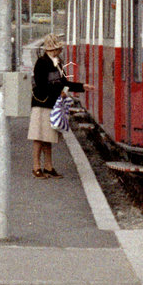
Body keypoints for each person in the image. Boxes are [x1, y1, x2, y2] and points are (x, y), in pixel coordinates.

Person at [28, 33, 89, 179]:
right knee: (38, 137)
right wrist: (59, 92)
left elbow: (64, 83)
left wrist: (82, 86)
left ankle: (48, 167)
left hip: (52, 104)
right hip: (42, 103)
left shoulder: (57, 63)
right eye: (58, 49)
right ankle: (36, 166)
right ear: (52, 50)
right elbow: (41, 85)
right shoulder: (41, 63)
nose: (60, 52)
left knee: (48, 137)